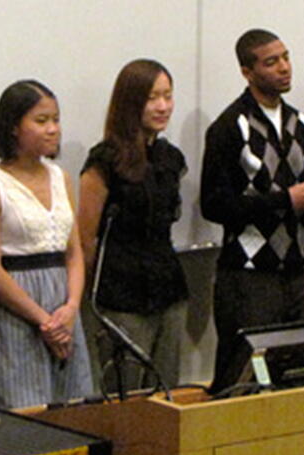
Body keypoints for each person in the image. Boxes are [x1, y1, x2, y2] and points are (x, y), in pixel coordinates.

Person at [201, 28, 304, 393]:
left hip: (295, 267)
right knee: (244, 375)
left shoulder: (302, 125)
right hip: (249, 273)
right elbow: (214, 204)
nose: (284, 68)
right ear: (247, 71)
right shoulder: (229, 126)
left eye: (286, 58)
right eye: (271, 62)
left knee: (293, 374)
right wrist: (285, 201)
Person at [0, 80, 93, 409]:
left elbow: (74, 252)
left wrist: (70, 308)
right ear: (13, 127)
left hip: (62, 304)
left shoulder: (60, 176)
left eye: (56, 119)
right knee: (23, 410)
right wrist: (43, 320)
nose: (53, 129)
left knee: (72, 409)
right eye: (41, 121)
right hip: (17, 309)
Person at [78, 59, 188, 390]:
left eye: (168, 96)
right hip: (122, 294)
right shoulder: (105, 160)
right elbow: (85, 238)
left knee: (167, 390)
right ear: (131, 102)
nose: (163, 106)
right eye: (152, 97)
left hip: (169, 289)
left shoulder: (170, 158)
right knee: (128, 394)